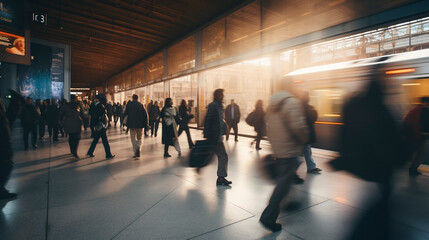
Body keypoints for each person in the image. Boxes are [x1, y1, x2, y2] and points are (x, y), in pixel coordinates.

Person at [330, 78, 405, 239]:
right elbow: (389, 140)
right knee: (382, 200)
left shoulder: (358, 109)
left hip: (368, 164)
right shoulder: (381, 111)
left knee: (380, 200)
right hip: (380, 164)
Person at [260, 78, 308, 232]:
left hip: (278, 148)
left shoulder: (272, 104)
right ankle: (268, 217)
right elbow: (298, 127)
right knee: (283, 183)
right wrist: (305, 138)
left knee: (284, 181)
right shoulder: (291, 102)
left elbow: (269, 126)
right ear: (290, 86)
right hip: (289, 148)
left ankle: (288, 202)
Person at [203, 89, 232, 186]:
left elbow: (220, 121)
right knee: (222, 156)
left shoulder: (219, 106)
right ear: (218, 95)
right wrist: (206, 134)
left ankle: (220, 177)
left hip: (217, 136)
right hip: (214, 136)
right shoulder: (213, 105)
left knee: (211, 155)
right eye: (222, 94)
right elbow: (208, 119)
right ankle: (220, 177)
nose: (223, 96)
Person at [404, 97, 429, 176]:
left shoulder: (414, 110)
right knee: (421, 153)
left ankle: (413, 168)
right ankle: (413, 169)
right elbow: (425, 123)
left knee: (416, 152)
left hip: (413, 135)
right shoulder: (424, 110)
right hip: (419, 135)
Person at [86, 95, 115, 159]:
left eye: (96, 98)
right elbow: (102, 116)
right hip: (101, 125)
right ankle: (108, 154)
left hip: (97, 125)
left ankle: (90, 152)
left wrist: (93, 124)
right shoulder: (101, 106)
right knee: (104, 141)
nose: (94, 99)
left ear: (98, 99)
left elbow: (93, 115)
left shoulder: (95, 106)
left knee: (96, 140)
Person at [0, 99, 17, 200]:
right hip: (3, 144)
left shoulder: (2, 114)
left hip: (4, 143)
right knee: (6, 165)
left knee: (6, 165)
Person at [301, 91, 322, 173]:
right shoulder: (307, 108)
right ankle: (310, 167)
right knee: (304, 151)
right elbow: (313, 117)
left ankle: (311, 167)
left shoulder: (300, 107)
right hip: (303, 133)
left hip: (302, 133)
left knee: (306, 150)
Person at [123, 94, 148, 158]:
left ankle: (135, 152)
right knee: (140, 138)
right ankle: (138, 149)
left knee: (133, 138)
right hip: (140, 125)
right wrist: (146, 125)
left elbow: (125, 113)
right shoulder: (141, 105)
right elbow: (145, 115)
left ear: (132, 98)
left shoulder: (129, 105)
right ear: (138, 98)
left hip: (131, 125)